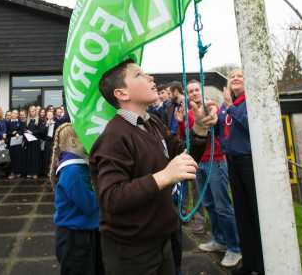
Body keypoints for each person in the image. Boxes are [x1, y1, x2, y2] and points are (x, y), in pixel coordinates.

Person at [89, 59, 213, 275]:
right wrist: (165, 176)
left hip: (163, 238)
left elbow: (185, 158)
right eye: (138, 75)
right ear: (122, 94)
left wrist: (200, 129)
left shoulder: (152, 122)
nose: (151, 78)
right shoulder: (113, 137)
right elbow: (111, 198)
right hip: (132, 251)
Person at [186, 80, 242, 268]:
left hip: (215, 160)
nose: (194, 93)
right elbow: (188, 137)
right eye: (190, 91)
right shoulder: (189, 113)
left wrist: (212, 117)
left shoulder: (211, 108)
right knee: (209, 203)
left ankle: (234, 248)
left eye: (196, 90)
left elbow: (215, 126)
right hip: (199, 162)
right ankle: (219, 240)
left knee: (223, 206)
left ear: (201, 91)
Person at [218, 69, 264, 275]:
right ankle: (250, 264)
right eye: (231, 76)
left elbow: (250, 126)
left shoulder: (250, 102)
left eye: (239, 75)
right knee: (242, 215)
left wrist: (229, 107)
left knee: (255, 214)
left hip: (248, 162)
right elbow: (222, 130)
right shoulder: (229, 105)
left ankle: (263, 266)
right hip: (233, 162)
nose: (234, 78)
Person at [50, 123, 103, 275]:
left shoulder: (77, 168)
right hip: (75, 238)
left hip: (82, 233)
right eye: (85, 138)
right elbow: (90, 205)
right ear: (73, 142)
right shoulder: (73, 171)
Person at [23, 105, 44, 179]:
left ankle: (35, 173)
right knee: (29, 157)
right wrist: (26, 132)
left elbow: (41, 131)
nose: (32, 112)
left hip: (35, 142)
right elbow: (24, 129)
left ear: (36, 111)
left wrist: (32, 132)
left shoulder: (40, 120)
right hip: (28, 142)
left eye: (34, 110)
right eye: (31, 111)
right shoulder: (27, 120)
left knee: (35, 157)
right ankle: (29, 172)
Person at [7, 109, 24, 179]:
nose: (14, 114)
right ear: (11, 114)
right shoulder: (7, 122)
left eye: (16, 113)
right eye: (13, 113)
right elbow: (6, 131)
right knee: (11, 158)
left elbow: (22, 130)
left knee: (18, 157)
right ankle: (12, 172)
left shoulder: (20, 122)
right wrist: (12, 133)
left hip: (18, 143)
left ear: (17, 115)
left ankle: (18, 172)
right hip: (10, 143)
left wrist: (18, 133)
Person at [41, 109, 58, 177]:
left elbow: (57, 132)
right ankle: (47, 171)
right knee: (47, 157)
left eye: (51, 115)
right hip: (47, 142)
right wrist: (47, 125)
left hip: (53, 142)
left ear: (53, 116)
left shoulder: (56, 123)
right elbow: (42, 133)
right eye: (48, 115)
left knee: (53, 157)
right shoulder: (44, 123)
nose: (49, 116)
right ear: (47, 116)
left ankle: (54, 171)